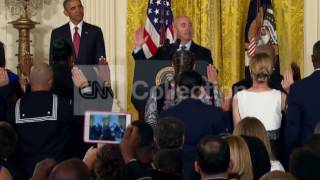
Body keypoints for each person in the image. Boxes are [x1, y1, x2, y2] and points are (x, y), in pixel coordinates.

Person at [8, 63, 74, 179]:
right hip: (57, 174)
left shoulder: (14, 107)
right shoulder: (64, 105)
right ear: (50, 81)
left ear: (30, 81)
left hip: (23, 174)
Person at [159, 71, 226, 180]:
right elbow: (224, 144)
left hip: (173, 171)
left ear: (178, 89)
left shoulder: (166, 115)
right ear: (200, 90)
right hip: (207, 170)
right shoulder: (216, 113)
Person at [145, 50, 221, 129]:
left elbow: (151, 122)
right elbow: (219, 114)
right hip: (202, 138)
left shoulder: (157, 90)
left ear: (172, 66)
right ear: (194, 66)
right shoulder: (209, 88)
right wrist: (214, 85)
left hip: (169, 138)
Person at [233, 53, 287, 151]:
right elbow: (292, 122)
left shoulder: (238, 97)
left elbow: (238, 134)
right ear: (271, 72)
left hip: (248, 153)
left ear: (250, 71)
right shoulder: (281, 96)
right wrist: (289, 91)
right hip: (274, 152)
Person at [284, 40, 320, 164]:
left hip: (308, 159)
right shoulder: (297, 88)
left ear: (312, 59)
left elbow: (292, 133)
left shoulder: (298, 89)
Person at [133, 16, 213, 64]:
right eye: (183, 25)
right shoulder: (164, 51)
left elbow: (211, 74)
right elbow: (147, 67)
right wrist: (138, 47)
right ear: (175, 29)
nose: (188, 28)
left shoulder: (204, 52)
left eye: (190, 25)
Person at [49, 0, 106, 65]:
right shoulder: (57, 34)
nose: (78, 10)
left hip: (89, 74)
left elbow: (101, 62)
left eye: (80, 7)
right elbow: (53, 63)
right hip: (66, 75)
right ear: (66, 13)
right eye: (73, 8)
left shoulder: (95, 31)